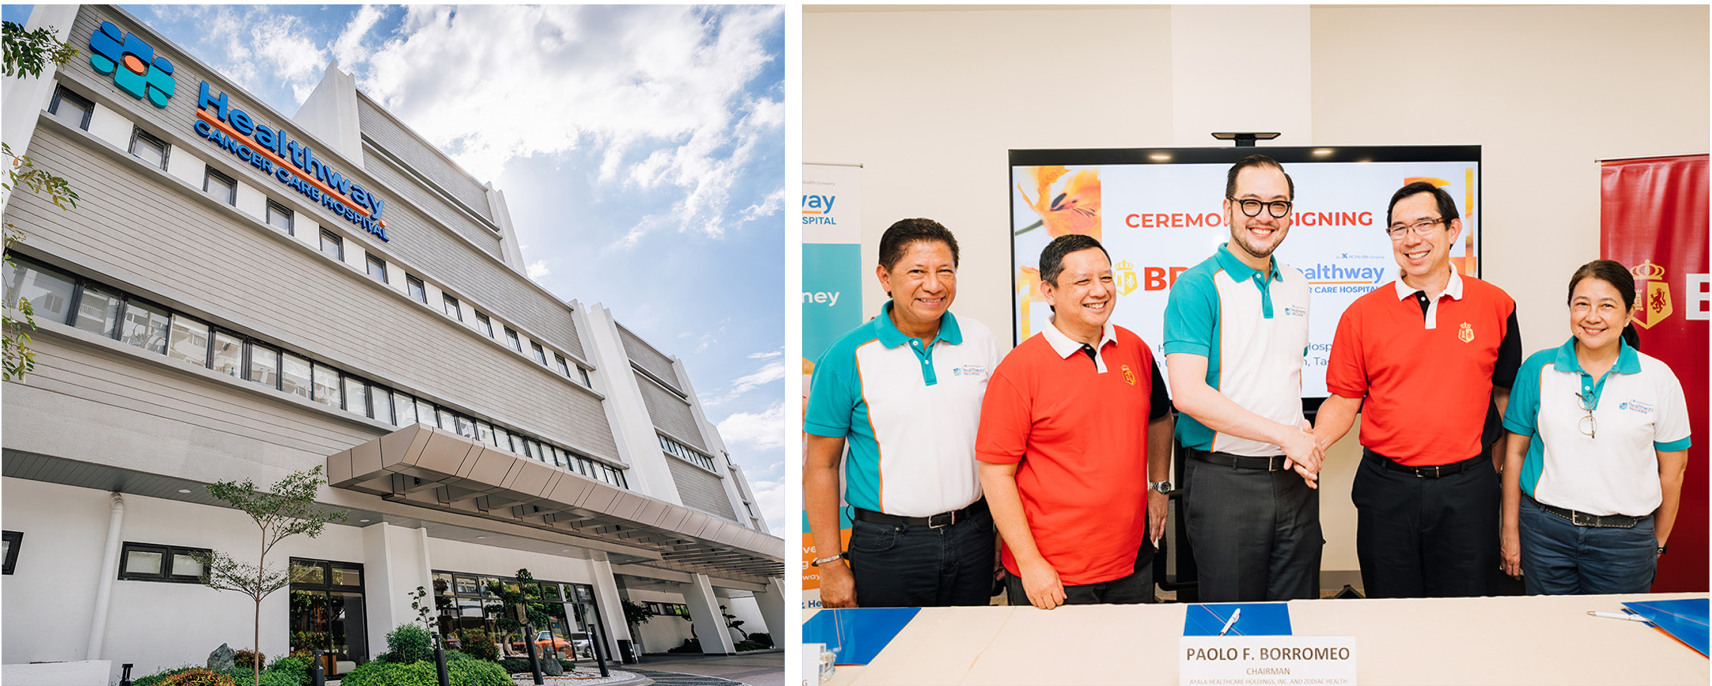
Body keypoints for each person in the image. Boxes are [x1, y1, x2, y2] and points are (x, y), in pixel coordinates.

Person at [1314, 181, 1522, 598]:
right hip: (1387, 489)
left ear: (1452, 229)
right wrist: (1312, 445)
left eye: (1424, 224)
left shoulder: (1497, 305)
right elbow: (1344, 398)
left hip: (1467, 490)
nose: (1412, 239)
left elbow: (1505, 397)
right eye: (1399, 228)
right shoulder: (1361, 315)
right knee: (1391, 612)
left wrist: (1493, 471)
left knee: (1467, 612)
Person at [802, 218, 1003, 608]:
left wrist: (1000, 533)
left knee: (966, 655)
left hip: (974, 533)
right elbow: (820, 466)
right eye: (917, 271)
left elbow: (1000, 445)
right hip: (889, 546)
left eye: (945, 271)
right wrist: (829, 565)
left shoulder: (980, 340)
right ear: (885, 277)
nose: (934, 284)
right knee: (890, 662)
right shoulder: (847, 356)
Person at [976, 234, 1173, 610]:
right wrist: (1032, 565)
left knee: (1132, 663)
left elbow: (1160, 417)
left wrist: (1159, 485)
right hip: (1054, 572)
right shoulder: (1019, 370)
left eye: (1107, 278)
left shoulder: (1136, 349)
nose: (1099, 291)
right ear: (1048, 291)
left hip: (1132, 561)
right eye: (1082, 281)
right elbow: (994, 474)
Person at [1163, 154, 1323, 602]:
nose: (1264, 217)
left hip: (1294, 481)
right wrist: (1283, 434)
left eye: (1278, 205)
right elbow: (1188, 394)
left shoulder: (1297, 283)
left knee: (1299, 616)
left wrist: (1300, 429)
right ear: (1227, 208)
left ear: (1291, 213)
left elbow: (1280, 375)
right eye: (1251, 203)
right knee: (1233, 628)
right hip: (1225, 484)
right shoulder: (1196, 286)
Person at [1499, 260, 1691, 594]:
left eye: (1607, 306)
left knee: (1615, 642)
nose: (1592, 316)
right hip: (1545, 533)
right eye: (1582, 304)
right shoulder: (1538, 369)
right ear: (1570, 309)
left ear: (1629, 313)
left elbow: (1673, 472)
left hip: (1625, 541)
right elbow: (1514, 453)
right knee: (1547, 636)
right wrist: (1510, 531)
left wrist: (1654, 543)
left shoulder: (1658, 378)